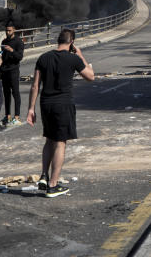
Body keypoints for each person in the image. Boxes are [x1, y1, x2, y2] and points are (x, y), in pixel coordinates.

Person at [26, 29, 95, 198]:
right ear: (72, 42)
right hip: (63, 104)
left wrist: (31, 109)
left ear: (58, 40)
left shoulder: (43, 57)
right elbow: (90, 76)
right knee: (60, 143)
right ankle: (53, 185)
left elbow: (35, 86)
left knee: (49, 139)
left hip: (45, 104)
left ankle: (44, 175)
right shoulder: (73, 59)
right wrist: (80, 55)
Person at [0, 24, 25, 126]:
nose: (7, 32)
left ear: (14, 30)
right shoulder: (4, 41)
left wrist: (12, 50)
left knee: (15, 93)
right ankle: (7, 116)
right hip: (5, 70)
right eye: (6, 31)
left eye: (9, 30)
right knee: (6, 94)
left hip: (13, 70)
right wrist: (0, 70)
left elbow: (20, 57)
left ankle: (17, 117)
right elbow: (3, 57)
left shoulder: (19, 42)